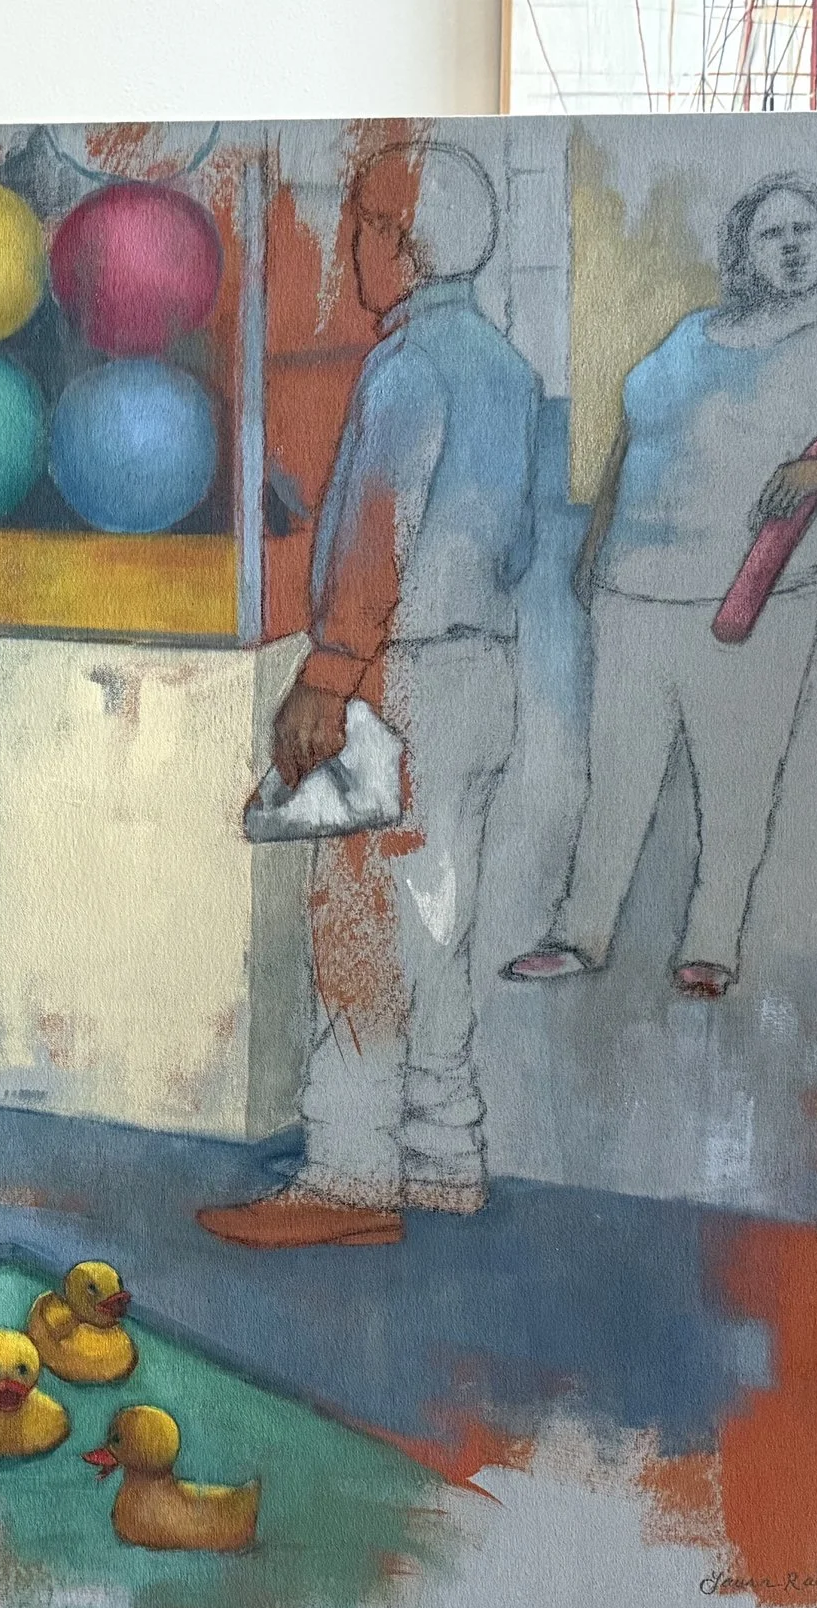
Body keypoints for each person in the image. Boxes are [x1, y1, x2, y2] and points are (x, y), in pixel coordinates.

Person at [198, 142, 538, 1252]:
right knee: (438, 926)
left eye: (360, 226)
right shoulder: (504, 370)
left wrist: (329, 674)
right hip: (483, 669)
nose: (347, 247)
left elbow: (374, 533)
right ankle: (444, 1157)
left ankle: (346, 1176)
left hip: (399, 674)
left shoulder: (406, 371)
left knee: (357, 931)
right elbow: (516, 544)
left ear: (401, 242)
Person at [504, 172, 817, 1000]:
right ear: (743, 248)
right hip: (635, 587)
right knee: (617, 773)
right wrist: (596, 544)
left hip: (757, 595)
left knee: (736, 774)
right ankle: (580, 933)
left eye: (806, 230)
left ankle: (710, 943)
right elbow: (633, 435)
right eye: (773, 233)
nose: (793, 246)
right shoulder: (692, 332)